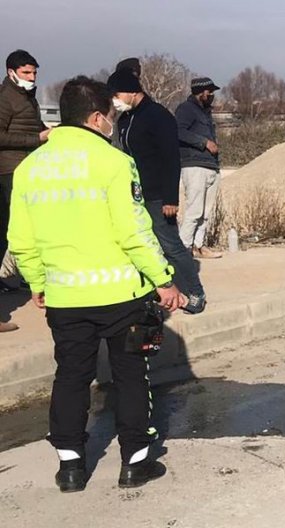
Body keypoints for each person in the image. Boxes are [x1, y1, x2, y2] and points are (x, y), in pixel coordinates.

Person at [8, 76, 184, 492]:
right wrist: (164, 280)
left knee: (70, 376)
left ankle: (70, 467)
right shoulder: (113, 162)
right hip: (120, 295)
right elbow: (134, 232)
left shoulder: (30, 167)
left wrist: (37, 282)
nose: (111, 123)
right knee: (129, 375)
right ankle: (134, 462)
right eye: (108, 116)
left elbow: (19, 239)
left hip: (64, 296)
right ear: (95, 117)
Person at [111, 67, 207, 314]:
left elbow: (170, 158)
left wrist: (170, 198)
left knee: (170, 245)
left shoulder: (158, 116)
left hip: (157, 195)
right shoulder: (125, 120)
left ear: (133, 92)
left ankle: (196, 292)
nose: (115, 100)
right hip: (135, 194)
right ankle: (161, 289)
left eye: (117, 94)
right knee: (147, 244)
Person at [0, 50, 50, 332]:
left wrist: (47, 131)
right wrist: (36, 138)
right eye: (27, 73)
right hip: (9, 172)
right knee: (12, 230)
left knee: (25, 229)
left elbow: (32, 127)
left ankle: (17, 279)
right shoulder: (4, 97)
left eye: (34, 73)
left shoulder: (27, 98)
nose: (32, 78)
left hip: (27, 170)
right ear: (11, 72)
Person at [175, 77, 223, 259]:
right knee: (194, 210)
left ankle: (198, 246)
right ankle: (184, 249)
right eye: (210, 92)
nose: (211, 95)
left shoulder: (206, 113)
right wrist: (203, 143)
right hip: (194, 166)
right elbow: (178, 131)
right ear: (201, 92)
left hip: (211, 166)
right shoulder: (186, 110)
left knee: (206, 212)